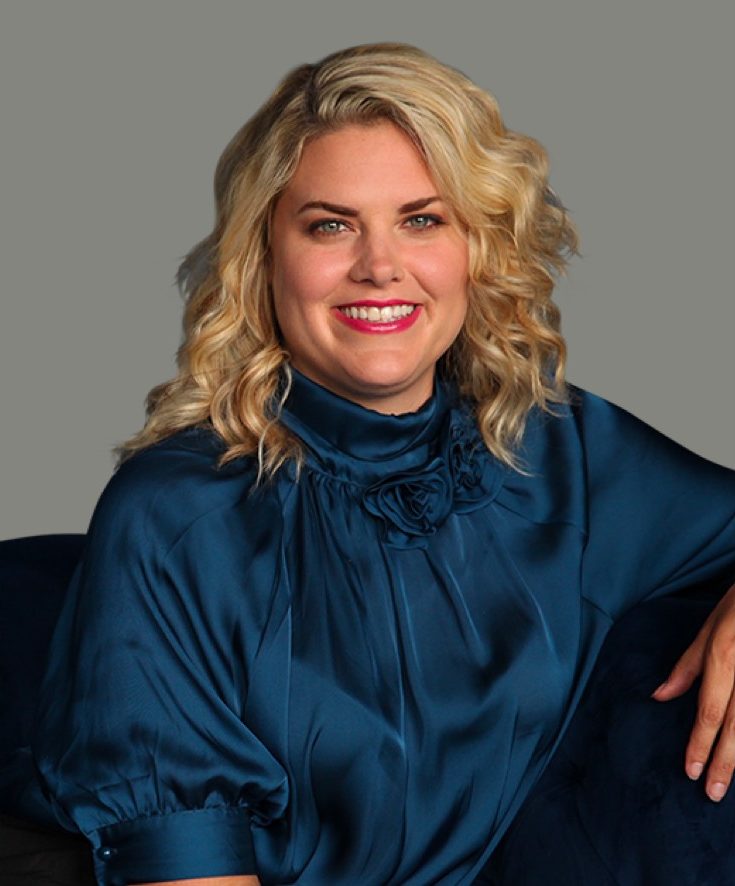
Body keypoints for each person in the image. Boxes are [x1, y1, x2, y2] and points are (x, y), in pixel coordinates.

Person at [19, 41, 735, 885]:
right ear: (264, 256)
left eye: (421, 220)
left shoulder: (554, 448)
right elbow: (183, 864)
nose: (380, 266)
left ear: (477, 247)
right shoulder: (177, 513)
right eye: (330, 225)